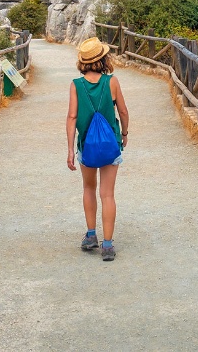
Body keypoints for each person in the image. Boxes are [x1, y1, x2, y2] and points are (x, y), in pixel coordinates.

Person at [66, 37, 129, 261]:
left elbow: (72, 116)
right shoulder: (112, 82)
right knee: (108, 194)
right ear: (103, 58)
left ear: (83, 61)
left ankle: (91, 235)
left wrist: (70, 150)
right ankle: (108, 245)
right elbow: (122, 112)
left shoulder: (76, 84)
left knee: (89, 188)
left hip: (87, 145)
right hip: (111, 143)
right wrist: (124, 134)